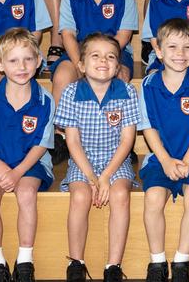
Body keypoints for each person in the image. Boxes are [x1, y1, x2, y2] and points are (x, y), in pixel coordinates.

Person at [0, 28, 55, 282]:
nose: (22, 66)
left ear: (39, 61)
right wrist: (0, 168)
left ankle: (25, 260)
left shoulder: (45, 100)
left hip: (30, 162)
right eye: (13, 60)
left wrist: (16, 172)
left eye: (28, 59)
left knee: (27, 192)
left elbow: (41, 146)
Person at [138, 19, 189, 282]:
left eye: (187, 48)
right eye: (172, 46)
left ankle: (182, 261)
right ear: (158, 51)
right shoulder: (148, 85)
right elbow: (148, 128)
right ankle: (157, 262)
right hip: (159, 158)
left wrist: (186, 160)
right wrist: (164, 160)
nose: (180, 53)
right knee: (153, 199)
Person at [54, 33, 140, 282]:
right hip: (84, 160)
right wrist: (92, 177)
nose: (104, 60)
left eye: (111, 56)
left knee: (120, 194)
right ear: (81, 65)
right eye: (95, 55)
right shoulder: (71, 92)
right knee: (80, 195)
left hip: (116, 160)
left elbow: (127, 141)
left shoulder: (126, 91)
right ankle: (76, 262)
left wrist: (106, 177)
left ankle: (113, 265)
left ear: (117, 66)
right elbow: (72, 142)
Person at [52, 0, 139, 106]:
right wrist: (81, 64)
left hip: (115, 53)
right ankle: (58, 130)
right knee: (63, 75)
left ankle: (112, 129)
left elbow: (123, 36)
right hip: (78, 52)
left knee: (119, 76)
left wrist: (103, 58)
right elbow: (68, 36)